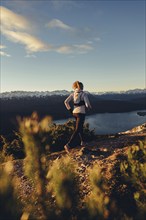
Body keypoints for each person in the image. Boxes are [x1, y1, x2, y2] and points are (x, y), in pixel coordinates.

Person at [64, 81, 92, 153]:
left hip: (74, 113)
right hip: (81, 113)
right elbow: (87, 104)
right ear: (81, 86)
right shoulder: (83, 94)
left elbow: (66, 102)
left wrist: (70, 110)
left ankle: (83, 142)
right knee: (77, 129)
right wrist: (89, 107)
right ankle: (68, 145)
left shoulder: (73, 94)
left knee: (80, 128)